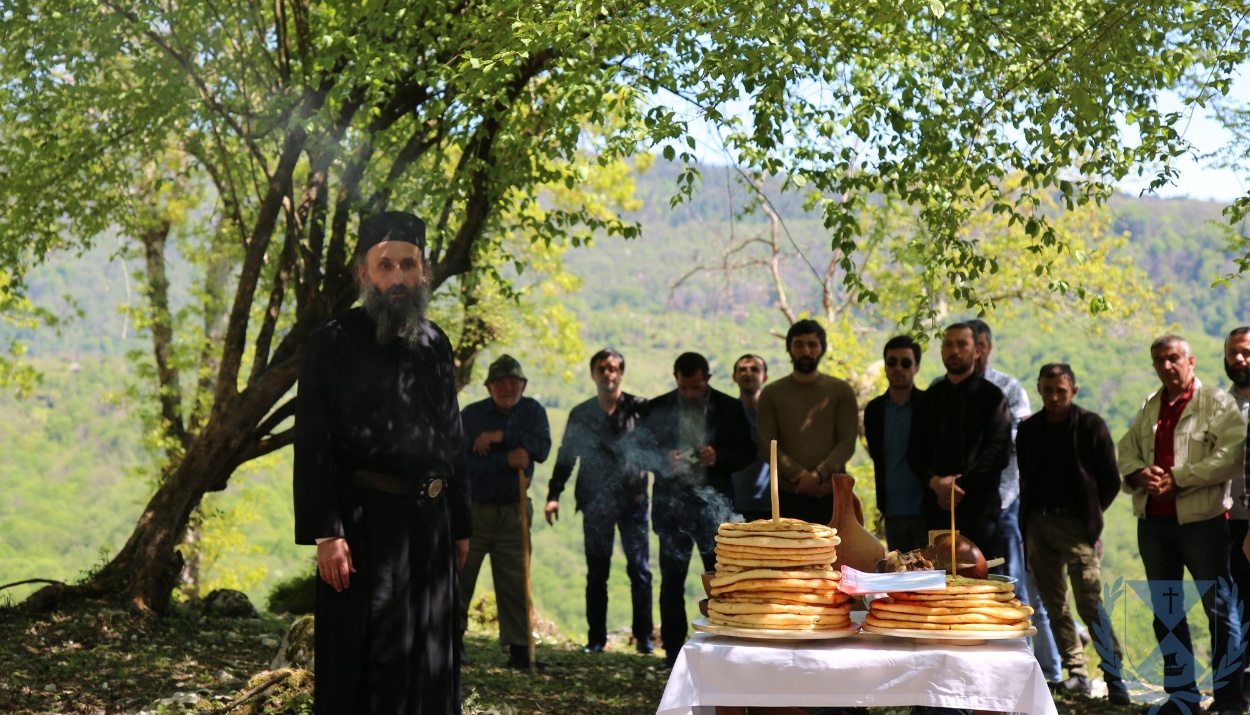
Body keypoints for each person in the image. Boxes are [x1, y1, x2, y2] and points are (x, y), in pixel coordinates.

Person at [293, 211, 471, 715]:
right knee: (364, 664)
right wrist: (327, 532)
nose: (397, 277)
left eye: (408, 265)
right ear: (364, 274)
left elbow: (452, 440)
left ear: (424, 271)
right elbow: (312, 442)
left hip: (431, 529)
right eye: (386, 265)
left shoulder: (436, 345)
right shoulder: (331, 341)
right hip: (363, 529)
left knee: (431, 660)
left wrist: (460, 524)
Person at [1119, 335, 1245, 715]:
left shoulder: (1217, 404)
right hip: (1154, 523)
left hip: (1203, 522)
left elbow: (1231, 456)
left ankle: (1229, 698)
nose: (1166, 366)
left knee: (1219, 610)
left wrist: (1179, 477)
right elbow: (1125, 450)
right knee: (1166, 610)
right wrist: (1140, 474)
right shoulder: (1151, 405)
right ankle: (1183, 695)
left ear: (1191, 361)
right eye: (1159, 360)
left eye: (1173, 358)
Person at [1017, 363, 1130, 704]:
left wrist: (1091, 520)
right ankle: (1076, 671)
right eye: (1048, 390)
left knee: (1089, 601)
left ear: (1074, 391)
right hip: (1038, 523)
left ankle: (1114, 676)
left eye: (1061, 391)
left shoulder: (1090, 425)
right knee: (1054, 604)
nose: (1054, 397)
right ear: (1039, 389)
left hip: (1077, 527)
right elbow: (1026, 479)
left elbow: (1110, 480)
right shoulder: (1030, 429)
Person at [639, 352, 755, 669]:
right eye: (684, 388)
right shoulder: (658, 407)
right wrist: (666, 460)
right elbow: (640, 452)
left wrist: (718, 456)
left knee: (721, 582)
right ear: (676, 378)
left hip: (714, 511)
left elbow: (748, 451)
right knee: (672, 583)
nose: (689, 394)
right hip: (671, 509)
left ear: (707, 380)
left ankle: (723, 646)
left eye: (695, 388)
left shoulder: (730, 408)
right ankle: (673, 653)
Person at [545, 348, 653, 655]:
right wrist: (554, 495)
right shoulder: (581, 414)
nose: (609, 373)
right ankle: (596, 639)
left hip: (633, 501)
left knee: (640, 570)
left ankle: (644, 639)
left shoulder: (639, 409)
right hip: (594, 501)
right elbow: (567, 456)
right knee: (597, 572)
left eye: (614, 368)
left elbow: (658, 448)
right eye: (603, 368)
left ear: (622, 373)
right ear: (594, 373)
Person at [457, 355, 551, 670]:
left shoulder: (532, 411)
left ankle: (520, 648)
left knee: (515, 578)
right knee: (460, 574)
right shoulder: (470, 416)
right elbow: (462, 466)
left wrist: (501, 437)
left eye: (514, 383)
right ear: (488, 387)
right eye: (500, 383)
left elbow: (541, 448)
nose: (508, 388)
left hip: (515, 510)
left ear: (523, 385)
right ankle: (451, 640)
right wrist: (505, 460)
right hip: (474, 510)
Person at [918, 322, 1011, 562]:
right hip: (936, 509)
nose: (955, 350)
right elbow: (914, 451)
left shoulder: (993, 398)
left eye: (962, 344)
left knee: (986, 589)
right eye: (948, 344)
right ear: (941, 351)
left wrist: (957, 486)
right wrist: (935, 482)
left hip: (980, 511)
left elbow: (998, 451)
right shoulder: (930, 398)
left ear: (977, 351)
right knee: (936, 587)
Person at [756, 319, 858, 525]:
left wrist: (818, 475)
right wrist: (802, 477)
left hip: (832, 494)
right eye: (799, 344)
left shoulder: (841, 390)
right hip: (787, 496)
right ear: (789, 349)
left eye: (812, 344)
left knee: (837, 557)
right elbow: (767, 445)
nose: (806, 351)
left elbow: (847, 442)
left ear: (821, 348)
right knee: (787, 556)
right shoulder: (771, 393)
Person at [864, 335, 929, 553]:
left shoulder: (929, 405)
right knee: (897, 575)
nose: (898, 368)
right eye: (892, 362)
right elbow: (877, 457)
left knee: (928, 575)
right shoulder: (874, 410)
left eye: (906, 362)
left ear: (916, 367)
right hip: (891, 508)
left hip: (927, 508)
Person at [730, 354, 772, 522]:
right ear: (735, 377)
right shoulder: (727, 413)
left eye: (755, 369)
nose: (748, 374)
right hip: (735, 501)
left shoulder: (775, 414)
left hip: (771, 503)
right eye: (742, 370)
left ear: (765, 377)